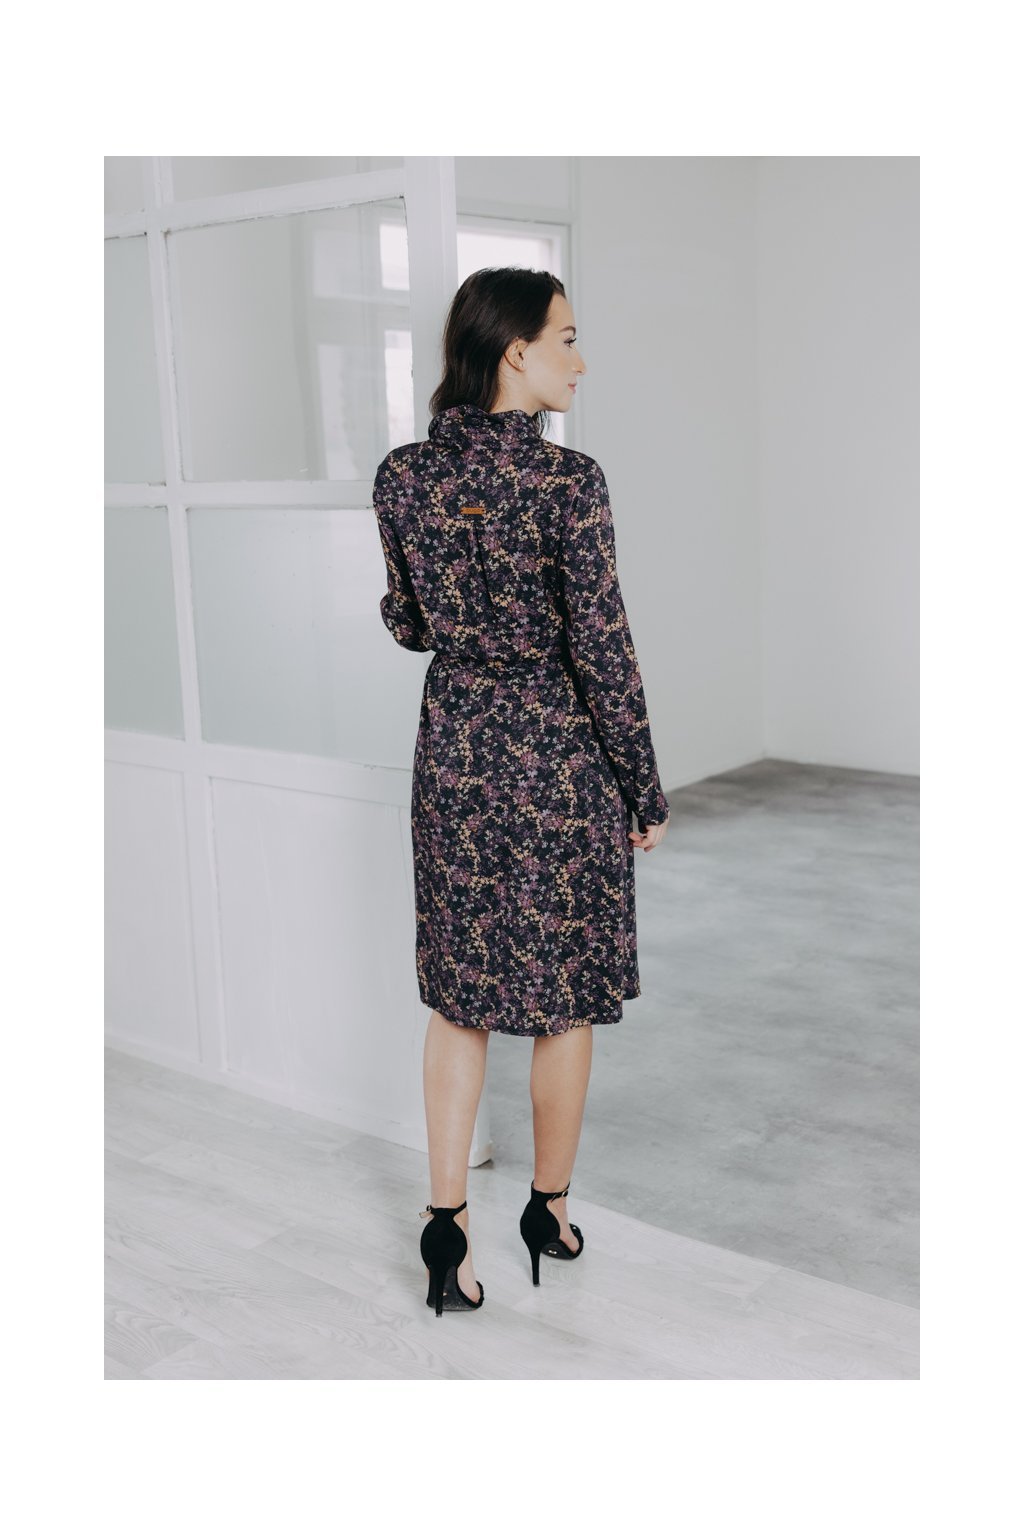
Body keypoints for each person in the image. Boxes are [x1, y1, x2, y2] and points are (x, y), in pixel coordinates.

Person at [373, 267, 670, 1316]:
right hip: (556, 758)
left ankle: (445, 1228)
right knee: (563, 998)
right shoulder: (567, 482)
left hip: (455, 752)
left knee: (460, 999)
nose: (581, 360)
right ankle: (547, 1210)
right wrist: (642, 788)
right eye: (568, 339)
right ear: (516, 351)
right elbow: (603, 649)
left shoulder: (403, 476)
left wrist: (460, 617)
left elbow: (408, 622)